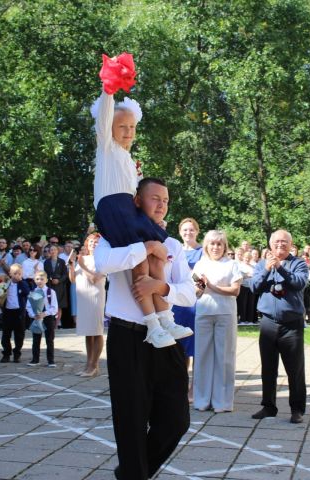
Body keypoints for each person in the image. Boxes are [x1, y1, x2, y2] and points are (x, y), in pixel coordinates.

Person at [93, 177, 195, 480]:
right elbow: (102, 264)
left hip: (166, 335)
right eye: (155, 198)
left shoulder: (173, 244)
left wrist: (161, 286)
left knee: (176, 420)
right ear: (137, 200)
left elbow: (188, 292)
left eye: (165, 200)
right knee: (131, 420)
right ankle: (134, 474)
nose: (161, 205)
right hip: (127, 337)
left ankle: (131, 474)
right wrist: (143, 248)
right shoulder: (113, 235)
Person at [91, 54, 190, 350]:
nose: (128, 132)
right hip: (113, 209)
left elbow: (141, 194)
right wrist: (109, 88)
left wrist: (153, 219)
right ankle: (151, 324)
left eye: (132, 127)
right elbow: (106, 116)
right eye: (122, 126)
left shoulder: (128, 158)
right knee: (139, 260)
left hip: (129, 209)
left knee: (157, 256)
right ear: (109, 129)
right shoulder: (106, 149)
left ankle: (164, 316)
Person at [250, 230, 309, 424]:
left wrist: (281, 268)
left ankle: (297, 409)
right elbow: (254, 287)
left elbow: (299, 283)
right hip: (268, 322)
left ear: (290, 245)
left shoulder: (298, 263)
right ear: (270, 244)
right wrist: (268, 269)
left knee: (295, 369)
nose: (280, 245)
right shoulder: (261, 264)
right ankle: (268, 406)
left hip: (291, 324)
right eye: (276, 242)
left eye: (284, 242)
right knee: (268, 368)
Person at [192, 230, 242, 413]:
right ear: (206, 245)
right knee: (202, 356)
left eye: (219, 244)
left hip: (225, 313)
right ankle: (202, 399)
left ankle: (222, 402)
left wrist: (212, 286)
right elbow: (196, 293)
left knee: (224, 357)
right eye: (212, 243)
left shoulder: (232, 264)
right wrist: (200, 287)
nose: (215, 247)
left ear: (224, 246)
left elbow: (235, 290)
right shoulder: (200, 264)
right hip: (204, 312)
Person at [172, 218, 203, 399]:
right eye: (185, 230)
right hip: (177, 304)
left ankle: (194, 388)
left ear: (197, 231)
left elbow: (203, 279)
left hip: (195, 304)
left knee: (195, 347)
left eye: (191, 230)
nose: (188, 233)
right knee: (179, 348)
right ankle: (180, 385)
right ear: (180, 232)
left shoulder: (202, 253)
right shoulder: (176, 251)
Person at [69, 233, 106, 377]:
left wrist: (82, 265)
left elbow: (95, 279)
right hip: (83, 298)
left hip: (95, 297)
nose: (93, 244)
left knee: (96, 331)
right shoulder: (82, 258)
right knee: (87, 332)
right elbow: (73, 279)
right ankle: (88, 364)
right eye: (91, 241)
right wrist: (72, 266)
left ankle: (94, 365)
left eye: (96, 242)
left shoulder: (103, 259)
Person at [26, 271, 59, 367]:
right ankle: (35, 359)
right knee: (36, 339)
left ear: (46, 280)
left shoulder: (51, 292)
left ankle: (51, 360)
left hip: (48, 318)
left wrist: (45, 313)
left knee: (49, 339)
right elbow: (28, 306)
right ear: (34, 280)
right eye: (37, 279)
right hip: (36, 318)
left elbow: (54, 307)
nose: (39, 281)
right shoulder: (33, 292)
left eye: (42, 279)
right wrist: (33, 315)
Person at [0, 264, 30, 363]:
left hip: (19, 312)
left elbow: (27, 292)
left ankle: (17, 353)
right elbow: (0, 293)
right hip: (8, 311)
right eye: (15, 273)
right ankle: (6, 353)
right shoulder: (6, 283)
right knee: (6, 334)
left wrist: (21, 281)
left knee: (19, 334)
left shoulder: (23, 283)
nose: (17, 275)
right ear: (10, 273)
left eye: (19, 274)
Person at [44, 245, 70, 328]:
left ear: (57, 251)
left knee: (59, 305)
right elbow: (45, 274)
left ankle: (57, 324)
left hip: (60, 286)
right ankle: (50, 323)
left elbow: (65, 274)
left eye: (54, 249)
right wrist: (51, 279)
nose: (53, 251)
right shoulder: (46, 262)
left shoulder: (62, 262)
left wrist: (59, 280)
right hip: (50, 285)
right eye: (51, 250)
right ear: (49, 252)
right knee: (50, 304)